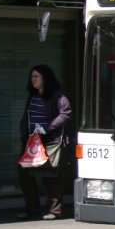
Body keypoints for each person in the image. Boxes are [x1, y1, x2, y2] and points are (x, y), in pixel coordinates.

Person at [18, 64, 72, 220]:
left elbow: (66, 113)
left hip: (50, 141)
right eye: (32, 76)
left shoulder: (57, 95)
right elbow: (25, 117)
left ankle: (54, 211)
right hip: (31, 141)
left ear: (45, 78)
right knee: (24, 173)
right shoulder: (32, 95)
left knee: (50, 175)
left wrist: (48, 128)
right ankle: (31, 209)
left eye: (36, 76)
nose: (32, 79)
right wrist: (23, 132)